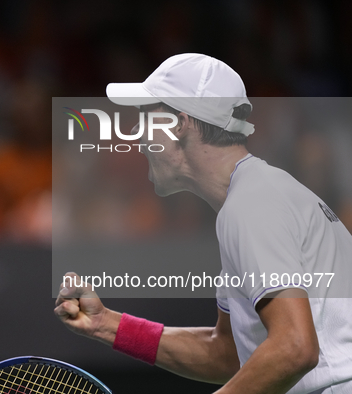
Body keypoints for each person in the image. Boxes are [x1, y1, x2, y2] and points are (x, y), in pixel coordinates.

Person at [54, 54, 352, 394]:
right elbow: (227, 353)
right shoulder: (254, 196)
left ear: (179, 124)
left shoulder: (253, 202)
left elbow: (295, 347)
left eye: (145, 118)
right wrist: (107, 325)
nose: (137, 137)